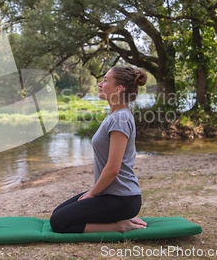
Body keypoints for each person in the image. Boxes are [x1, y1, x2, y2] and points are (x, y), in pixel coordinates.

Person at [50, 66, 148, 233]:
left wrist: (92, 193)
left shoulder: (121, 118)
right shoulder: (113, 115)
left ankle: (118, 225)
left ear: (118, 89)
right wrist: (93, 193)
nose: (100, 84)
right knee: (58, 213)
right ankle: (119, 216)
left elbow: (112, 169)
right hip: (112, 195)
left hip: (122, 199)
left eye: (105, 80)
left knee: (58, 222)